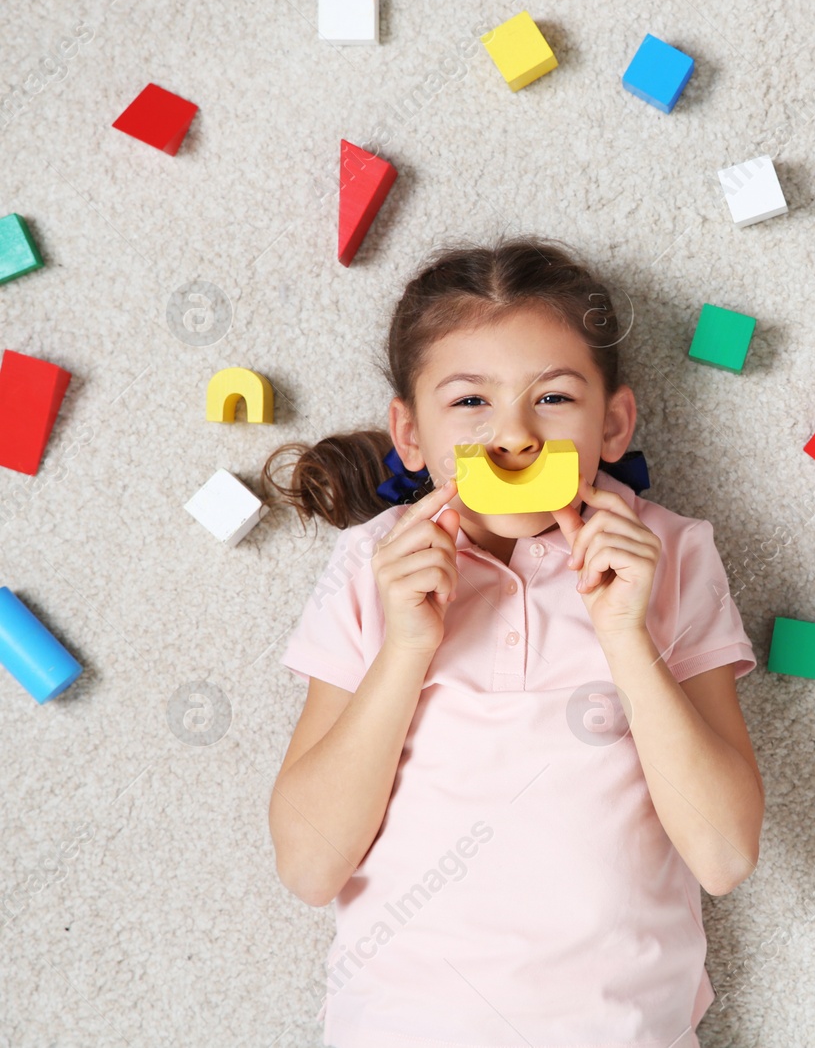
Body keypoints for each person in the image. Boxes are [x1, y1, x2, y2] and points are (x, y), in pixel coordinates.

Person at [265, 238, 763, 1048]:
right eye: (470, 403)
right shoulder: (370, 563)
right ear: (411, 434)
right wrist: (405, 649)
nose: (514, 437)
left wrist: (624, 637)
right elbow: (309, 865)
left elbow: (724, 853)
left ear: (614, 424)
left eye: (554, 399)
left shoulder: (671, 554)